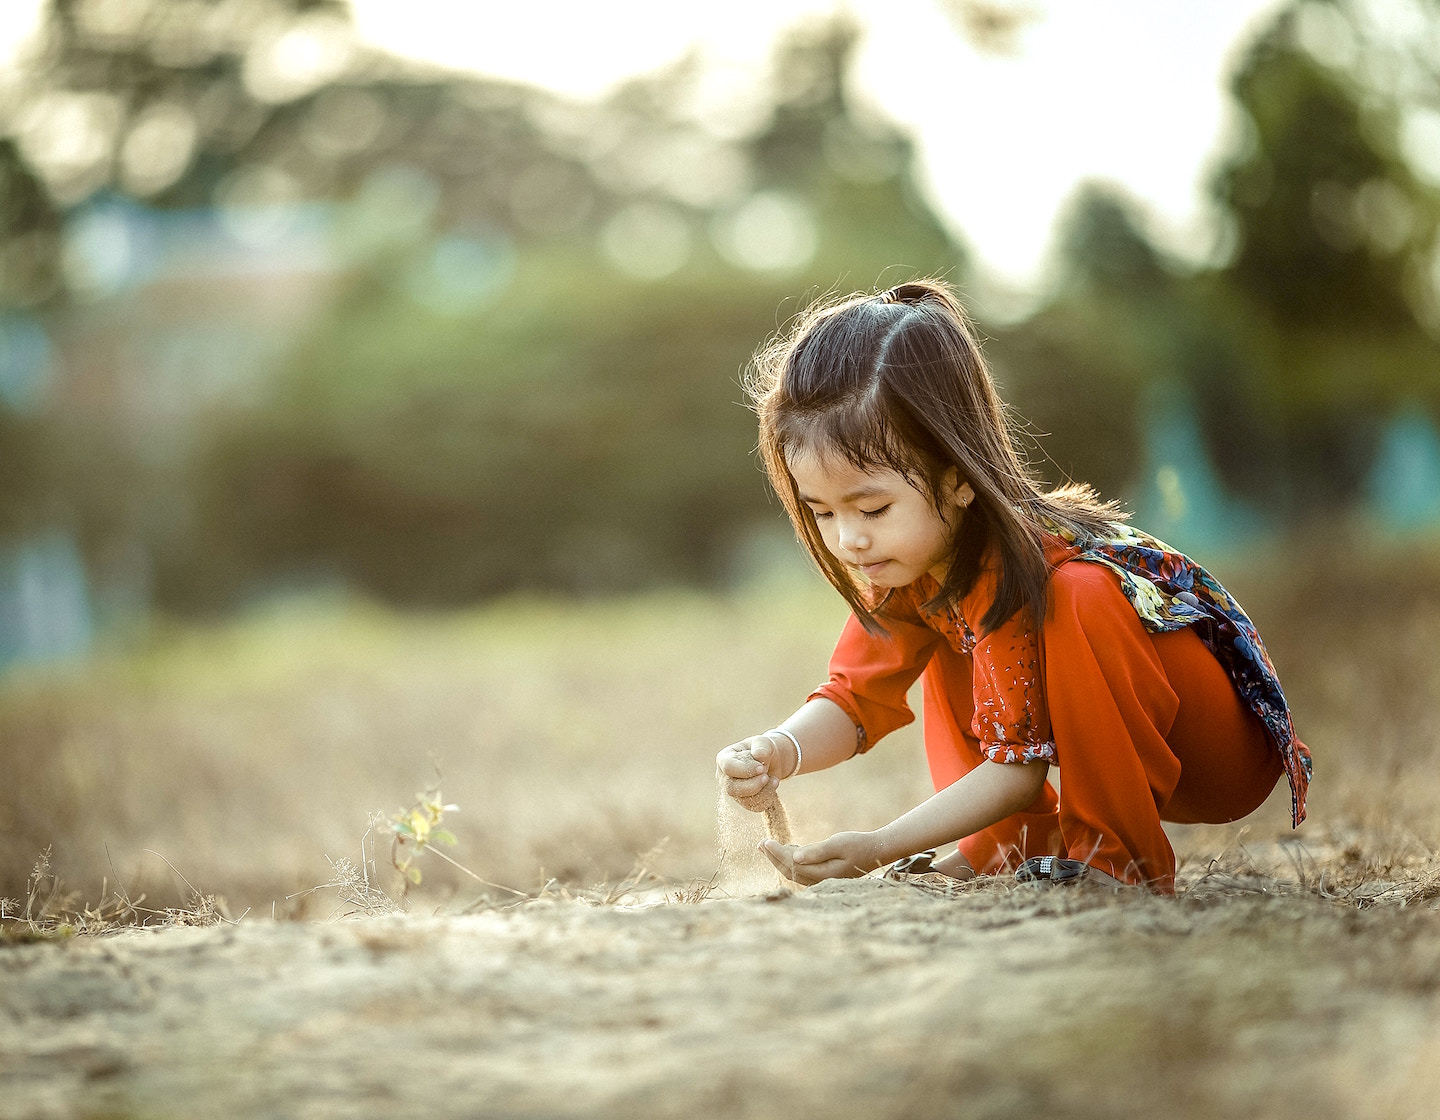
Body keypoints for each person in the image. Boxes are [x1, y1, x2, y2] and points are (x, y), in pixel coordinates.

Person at [715, 279, 1311, 893]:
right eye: (822, 512)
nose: (849, 541)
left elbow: (1015, 774)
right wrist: (778, 750)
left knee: (1079, 594)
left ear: (958, 478)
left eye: (871, 510)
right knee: (954, 635)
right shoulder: (908, 569)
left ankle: (1117, 862)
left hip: (1214, 754)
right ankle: (1012, 845)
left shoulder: (1027, 565)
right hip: (1114, 753)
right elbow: (853, 699)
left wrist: (879, 846)